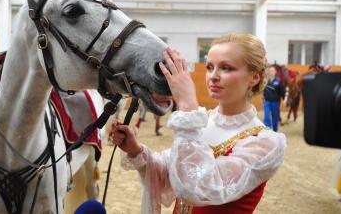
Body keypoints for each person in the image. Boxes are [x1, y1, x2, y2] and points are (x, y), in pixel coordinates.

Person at [110, 34, 287, 214]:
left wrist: (187, 105)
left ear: (254, 78)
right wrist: (136, 151)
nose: (213, 76)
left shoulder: (265, 143)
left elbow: (201, 188)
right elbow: (171, 172)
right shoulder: (201, 121)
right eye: (210, 67)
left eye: (226, 68)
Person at [263, 66, 285, 131]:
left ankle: (275, 131)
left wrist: (284, 99)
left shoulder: (278, 81)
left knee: (275, 117)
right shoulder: (266, 81)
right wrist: (264, 98)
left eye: (272, 71)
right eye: (270, 71)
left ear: (275, 72)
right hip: (267, 102)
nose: (271, 72)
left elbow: (282, 91)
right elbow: (264, 90)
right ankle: (268, 131)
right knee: (267, 116)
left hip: (275, 102)